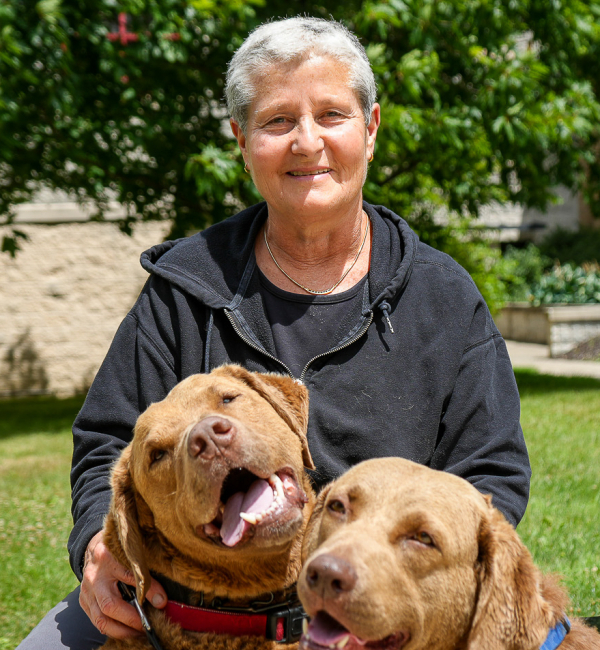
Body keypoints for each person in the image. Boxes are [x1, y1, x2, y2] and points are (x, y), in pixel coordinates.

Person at [17, 16, 530, 650]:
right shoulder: (185, 286)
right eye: (278, 122)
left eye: (332, 116)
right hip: (188, 605)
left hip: (365, 601)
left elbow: (492, 473)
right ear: (241, 139)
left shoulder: (443, 295)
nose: (307, 143)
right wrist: (99, 542)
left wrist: (414, 588)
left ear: (370, 130)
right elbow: (106, 443)